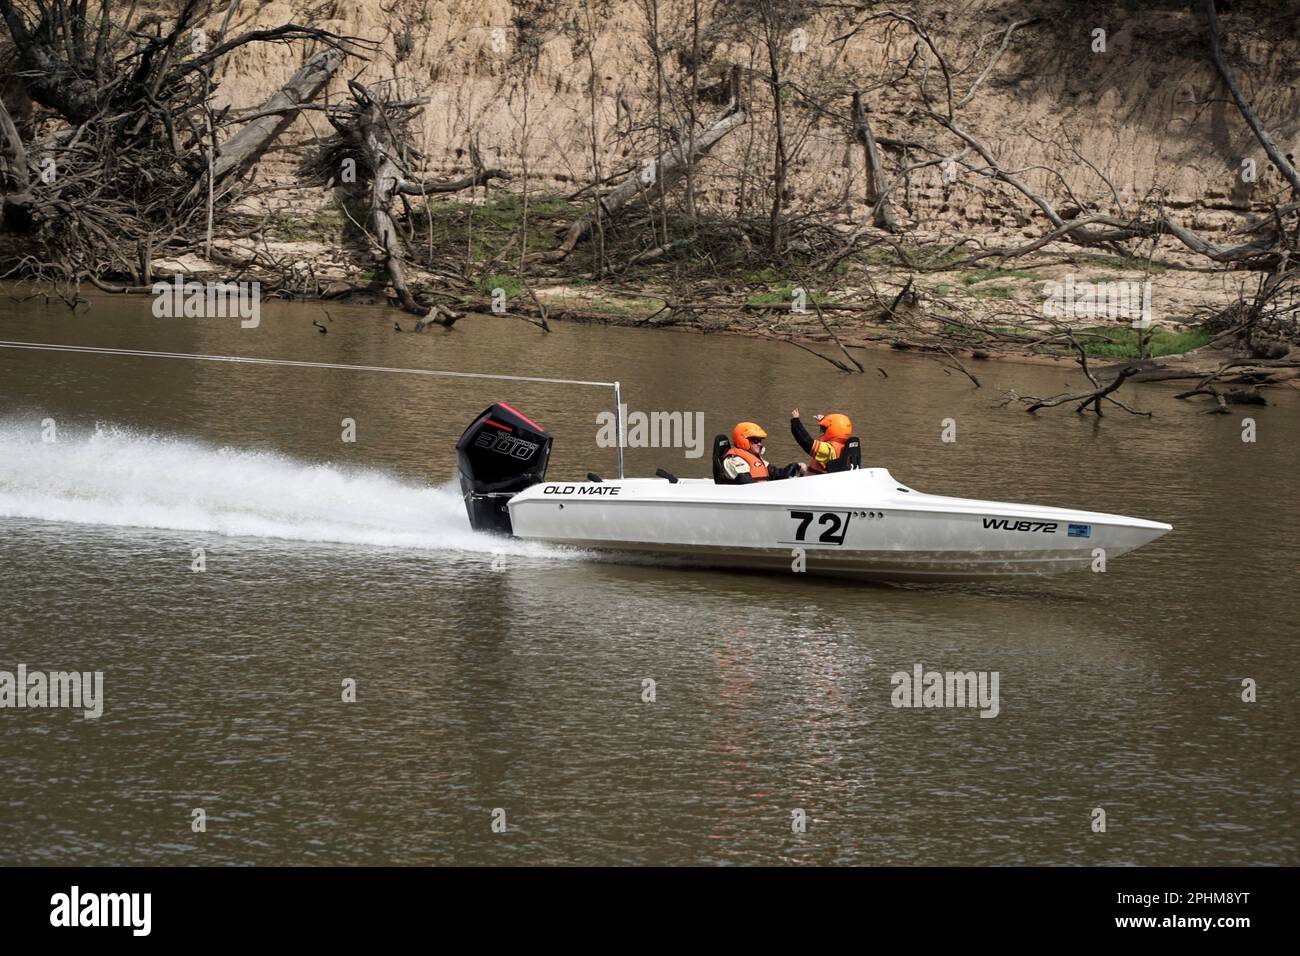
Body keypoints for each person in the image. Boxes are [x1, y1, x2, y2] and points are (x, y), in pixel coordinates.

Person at [720, 422, 805, 484]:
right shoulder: (734, 461)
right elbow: (746, 483)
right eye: (756, 441)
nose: (760, 444)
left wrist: (795, 467)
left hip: (761, 496)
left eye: (760, 441)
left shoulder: (757, 459)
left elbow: (777, 474)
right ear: (743, 440)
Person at [790, 408, 853, 474]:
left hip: (817, 480)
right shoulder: (844, 445)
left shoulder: (830, 449)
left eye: (824, 429)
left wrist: (796, 421)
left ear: (832, 429)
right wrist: (824, 420)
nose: (822, 432)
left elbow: (806, 442)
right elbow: (838, 426)